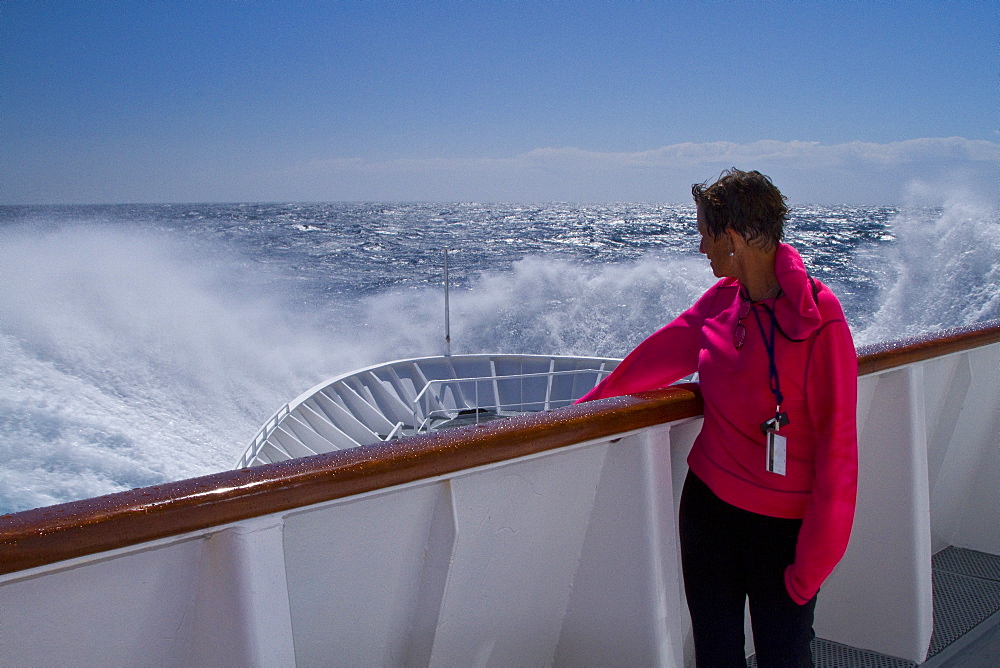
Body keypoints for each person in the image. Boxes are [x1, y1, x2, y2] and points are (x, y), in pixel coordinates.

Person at [576, 169, 858, 667]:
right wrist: (582, 412)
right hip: (709, 513)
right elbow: (654, 359)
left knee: (785, 657)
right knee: (715, 654)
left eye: (705, 234)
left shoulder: (821, 319)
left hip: (785, 535)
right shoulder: (722, 303)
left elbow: (839, 450)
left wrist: (812, 565)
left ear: (732, 239)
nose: (701, 247)